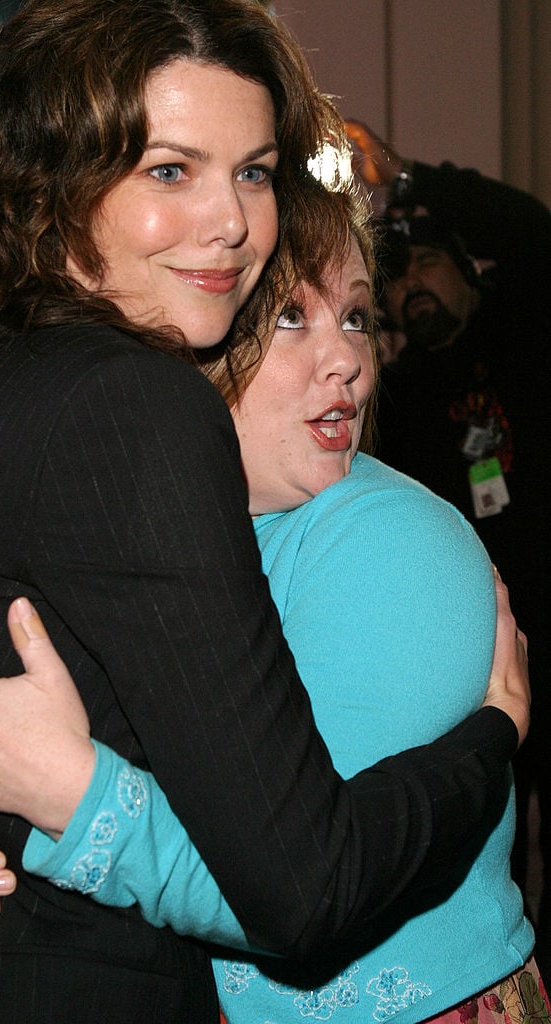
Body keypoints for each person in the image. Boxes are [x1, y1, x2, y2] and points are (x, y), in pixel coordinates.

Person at [0, 3, 528, 1020]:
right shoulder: (129, 400)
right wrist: (489, 741)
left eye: (252, 171)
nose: (230, 220)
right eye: (169, 169)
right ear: (53, 179)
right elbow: (307, 889)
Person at [347, 120, 551, 980]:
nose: (410, 291)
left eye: (429, 266)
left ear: (469, 274)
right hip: (479, 657)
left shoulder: (523, 339)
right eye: (395, 284)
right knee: (490, 837)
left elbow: (531, 229)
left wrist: (408, 172)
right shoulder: (404, 395)